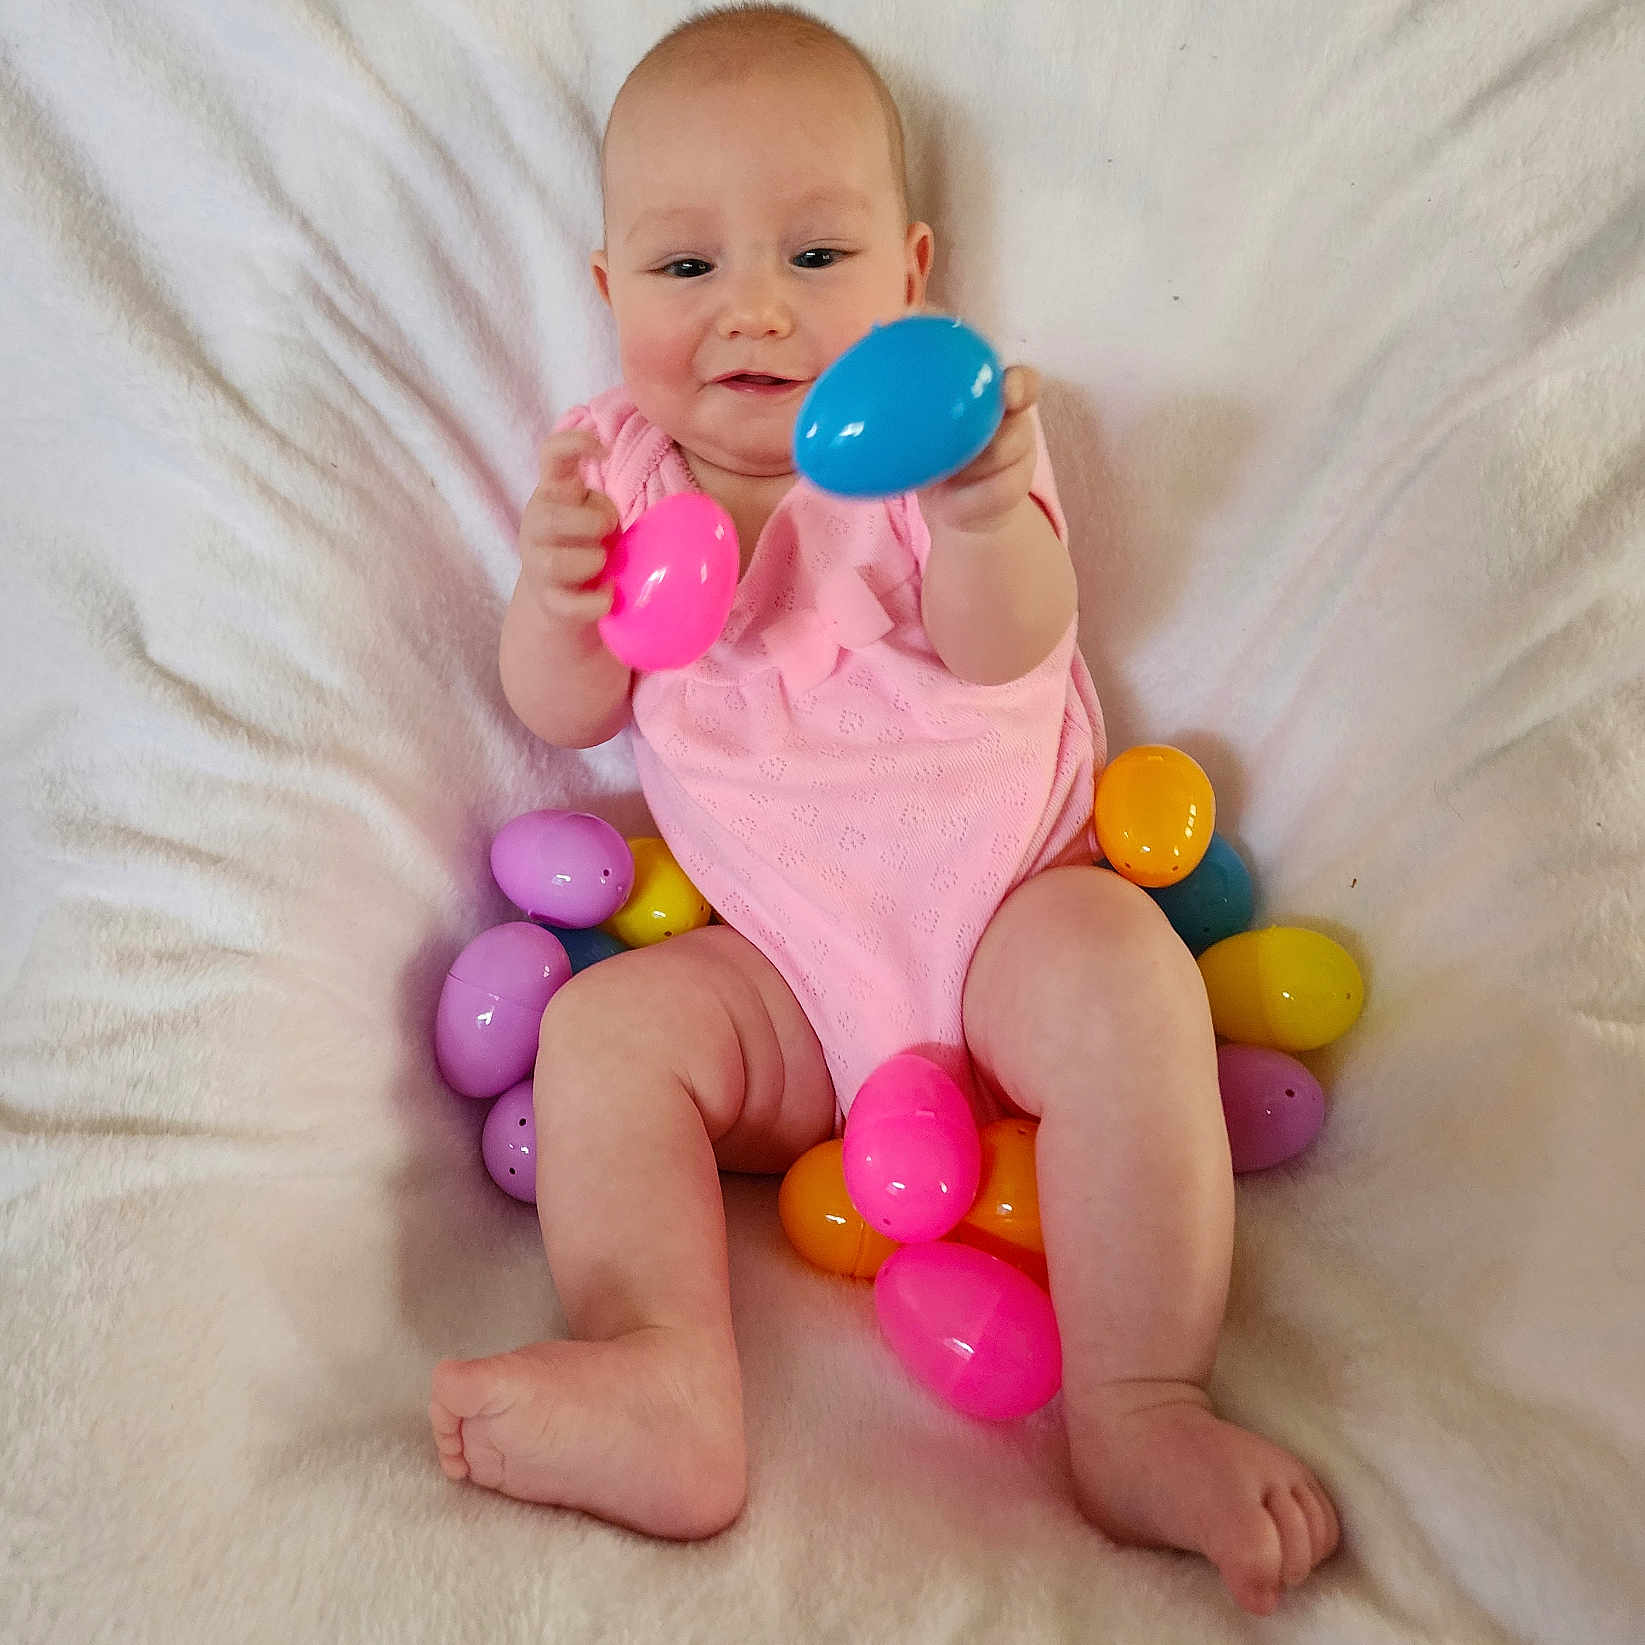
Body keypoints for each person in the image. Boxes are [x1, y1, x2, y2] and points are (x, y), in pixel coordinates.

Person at [429, 4, 1340, 1615]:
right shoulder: (615, 475)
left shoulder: (945, 446)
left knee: (1125, 974)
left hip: (1004, 922)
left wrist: (989, 508)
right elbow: (564, 706)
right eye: (687, 269)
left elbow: (1015, 640)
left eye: (816, 254)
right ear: (606, 295)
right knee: (602, 1040)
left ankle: (1139, 1403)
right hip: (782, 979)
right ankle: (662, 1377)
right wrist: (553, 595)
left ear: (913, 275)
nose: (753, 309)